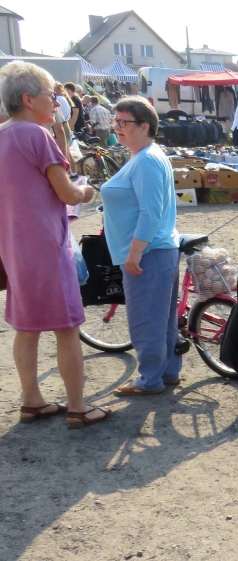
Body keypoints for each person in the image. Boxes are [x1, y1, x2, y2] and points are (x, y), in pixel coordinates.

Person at [0, 61, 112, 428]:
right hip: (47, 246)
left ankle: (31, 400)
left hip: (13, 247)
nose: (57, 102)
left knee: (26, 327)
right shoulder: (37, 136)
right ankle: (78, 406)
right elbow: (67, 193)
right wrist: (86, 191)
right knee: (67, 328)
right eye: (52, 95)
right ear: (28, 99)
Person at [99, 97, 182, 396]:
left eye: (124, 122)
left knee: (146, 321)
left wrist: (134, 253)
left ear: (144, 126)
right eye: (116, 121)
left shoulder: (146, 160)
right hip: (156, 251)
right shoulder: (145, 156)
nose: (117, 127)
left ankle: (149, 380)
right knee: (162, 319)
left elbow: (150, 212)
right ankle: (167, 372)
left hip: (148, 253)